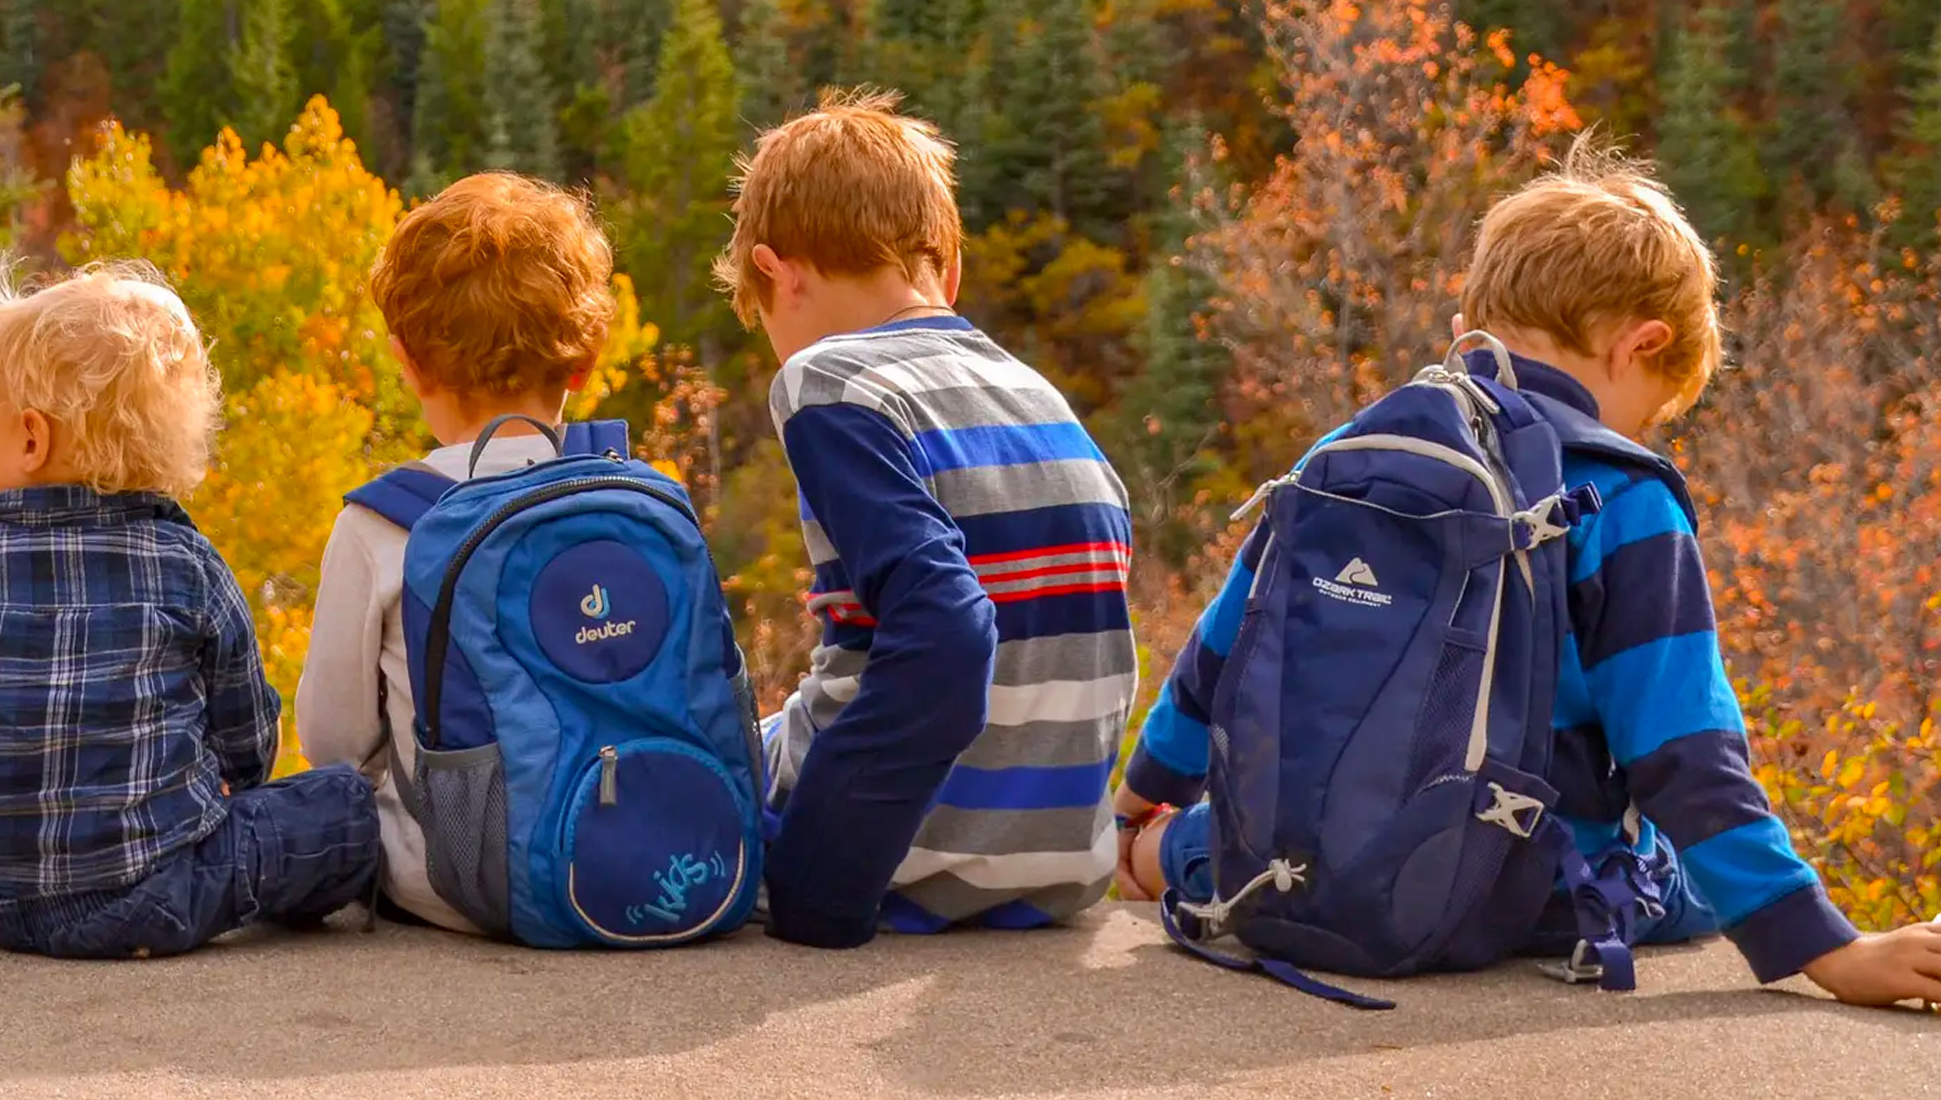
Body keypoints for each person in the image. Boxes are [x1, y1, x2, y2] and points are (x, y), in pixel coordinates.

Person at [1116, 140, 1941, 1005]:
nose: (1642, 435)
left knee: (1204, 841)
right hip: (1513, 887)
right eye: (1653, 409)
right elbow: (1686, 755)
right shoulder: (1621, 496)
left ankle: (1153, 852)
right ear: (1641, 344)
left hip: (1285, 860)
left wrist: (1140, 800)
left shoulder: (1346, 453)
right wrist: (1827, 948)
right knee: (1684, 881)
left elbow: (1223, 652)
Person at [0, 260, 378, 959]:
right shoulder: (189, 564)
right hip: (160, 890)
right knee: (344, 807)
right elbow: (247, 731)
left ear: (31, 439)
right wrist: (236, 777)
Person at [715, 92, 1138, 947]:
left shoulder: (828, 383)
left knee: (665, 778)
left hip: (899, 859)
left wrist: (821, 886)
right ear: (945, 272)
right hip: (1055, 867)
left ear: (779, 274)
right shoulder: (1044, 400)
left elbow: (947, 634)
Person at [294, 172, 617, 931]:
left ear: (408, 363)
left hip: (463, 881)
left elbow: (334, 743)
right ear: (583, 362)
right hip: (643, 847)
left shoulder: (384, 522)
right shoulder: (630, 494)